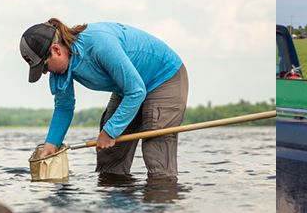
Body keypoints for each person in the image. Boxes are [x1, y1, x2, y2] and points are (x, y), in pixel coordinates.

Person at [21, 19, 188, 178]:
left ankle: (161, 200)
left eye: (43, 66)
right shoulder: (58, 71)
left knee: (155, 151)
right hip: (128, 87)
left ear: (56, 50)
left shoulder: (100, 45)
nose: (44, 72)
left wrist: (110, 131)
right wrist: (51, 144)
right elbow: (64, 108)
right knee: (109, 154)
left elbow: (136, 92)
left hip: (164, 76)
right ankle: (114, 205)